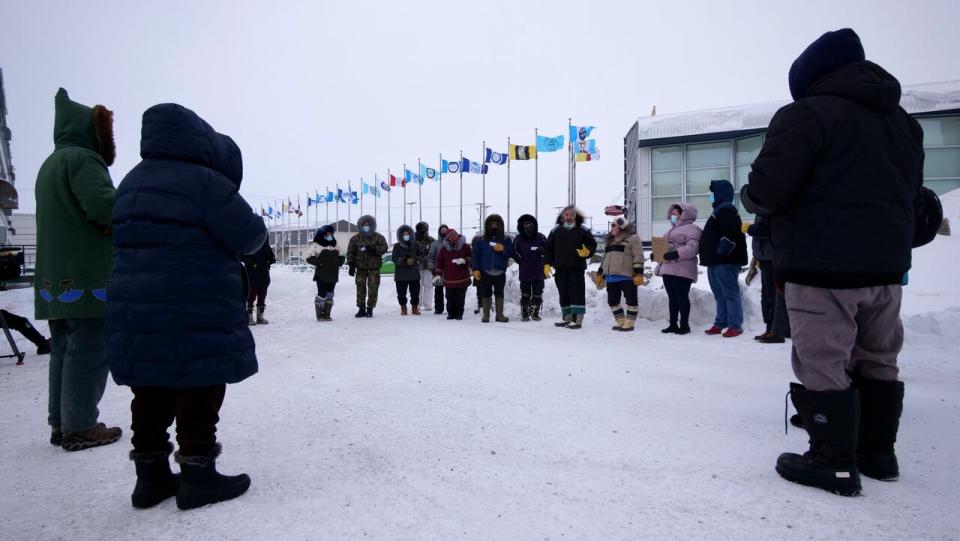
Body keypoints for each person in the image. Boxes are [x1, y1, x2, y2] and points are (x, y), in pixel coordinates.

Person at [742, 28, 923, 497]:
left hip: (822, 265)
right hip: (885, 268)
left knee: (823, 358)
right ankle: (878, 453)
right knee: (879, 357)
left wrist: (751, 193)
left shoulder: (806, 115)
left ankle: (833, 461)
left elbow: (767, 191)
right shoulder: (902, 122)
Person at [106, 103, 266, 509]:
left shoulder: (130, 182)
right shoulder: (205, 183)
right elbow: (250, 236)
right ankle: (198, 476)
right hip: (194, 303)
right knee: (200, 382)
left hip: (136, 308)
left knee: (150, 389)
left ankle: (151, 478)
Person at [34, 88, 121, 451]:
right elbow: (104, 207)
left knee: (63, 347)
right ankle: (82, 425)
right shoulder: (84, 160)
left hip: (55, 277)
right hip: (86, 275)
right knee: (89, 347)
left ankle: (61, 422)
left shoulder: (51, 164)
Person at [699, 180, 747, 338]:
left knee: (730, 293)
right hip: (715, 261)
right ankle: (721, 323)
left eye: (713, 193)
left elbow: (731, 231)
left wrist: (723, 249)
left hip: (725, 261)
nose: (711, 196)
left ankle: (735, 325)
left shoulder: (726, 209)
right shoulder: (719, 210)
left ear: (720, 193)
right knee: (719, 294)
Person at [543, 206, 597, 329]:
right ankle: (566, 318)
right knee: (564, 293)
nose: (568, 217)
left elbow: (592, 244)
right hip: (560, 268)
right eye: (566, 215)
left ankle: (577, 320)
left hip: (576, 268)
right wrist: (547, 263)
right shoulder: (555, 231)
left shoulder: (583, 230)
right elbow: (548, 249)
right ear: (563, 216)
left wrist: (587, 252)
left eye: (571, 215)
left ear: (575, 216)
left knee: (576, 293)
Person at [654, 203, 701, 335]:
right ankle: (673, 324)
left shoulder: (693, 229)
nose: (673, 216)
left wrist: (676, 253)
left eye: (675, 213)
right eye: (672, 213)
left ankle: (684, 325)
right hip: (668, 268)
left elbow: (693, 248)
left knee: (681, 297)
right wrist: (657, 253)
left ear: (684, 214)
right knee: (672, 298)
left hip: (683, 269)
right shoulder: (671, 230)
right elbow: (663, 247)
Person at [598, 216, 644, 331]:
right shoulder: (610, 240)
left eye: (614, 225)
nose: (611, 228)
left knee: (631, 299)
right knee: (612, 301)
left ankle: (630, 322)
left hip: (627, 275)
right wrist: (600, 272)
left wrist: (638, 273)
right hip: (611, 277)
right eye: (611, 225)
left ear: (621, 227)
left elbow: (638, 256)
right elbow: (606, 258)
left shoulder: (633, 238)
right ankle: (621, 321)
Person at [744, 215, 786, 343]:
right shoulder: (762, 211)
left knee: (772, 295)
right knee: (767, 295)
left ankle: (777, 331)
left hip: (772, 257)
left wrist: (749, 228)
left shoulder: (772, 210)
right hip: (764, 257)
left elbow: (766, 230)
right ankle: (769, 328)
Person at [471, 214, 513, 323]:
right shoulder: (481, 241)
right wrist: (475, 269)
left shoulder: (506, 240)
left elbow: (510, 253)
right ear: (487, 226)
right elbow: (475, 255)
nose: (494, 226)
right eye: (491, 224)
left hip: (500, 271)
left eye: (496, 224)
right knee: (486, 293)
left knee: (500, 293)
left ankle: (500, 315)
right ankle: (486, 315)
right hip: (485, 272)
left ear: (501, 225)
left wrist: (503, 249)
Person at [347, 215, 388, 318]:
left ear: (372, 225)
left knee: (373, 289)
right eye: (364, 225)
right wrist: (351, 265)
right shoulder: (355, 238)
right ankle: (361, 308)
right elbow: (350, 252)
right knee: (360, 289)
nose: (366, 226)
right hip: (360, 268)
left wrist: (374, 249)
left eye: (368, 225)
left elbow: (384, 248)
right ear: (361, 225)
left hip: (374, 268)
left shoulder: (378, 237)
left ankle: (370, 309)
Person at [306, 225, 345, 321]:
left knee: (330, 294)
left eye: (330, 234)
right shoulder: (317, 245)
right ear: (322, 235)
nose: (329, 235)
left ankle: (327, 314)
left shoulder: (335, 245)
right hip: (321, 275)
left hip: (333, 274)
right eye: (327, 234)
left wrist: (339, 262)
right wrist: (320, 262)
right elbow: (308, 258)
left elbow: (342, 256)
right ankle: (320, 315)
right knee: (322, 294)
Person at [513, 214, 547, 322]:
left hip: (538, 271)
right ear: (522, 226)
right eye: (525, 224)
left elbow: (549, 249)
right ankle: (525, 313)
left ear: (534, 225)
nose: (528, 226)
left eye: (530, 224)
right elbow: (514, 252)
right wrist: (519, 259)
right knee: (525, 294)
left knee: (538, 293)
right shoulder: (518, 239)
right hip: (525, 271)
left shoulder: (541, 237)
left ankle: (535, 312)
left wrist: (543, 251)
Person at [435, 228, 472, 320]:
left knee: (460, 298)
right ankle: (451, 313)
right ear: (447, 239)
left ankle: (459, 313)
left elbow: (472, 257)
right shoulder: (444, 250)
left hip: (462, 278)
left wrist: (464, 260)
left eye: (454, 235)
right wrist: (438, 274)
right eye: (450, 236)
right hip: (449, 279)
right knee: (450, 297)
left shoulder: (466, 247)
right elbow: (439, 261)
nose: (453, 238)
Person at [240, 238, 276, 325]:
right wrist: (253, 264)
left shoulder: (266, 245)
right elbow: (242, 257)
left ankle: (260, 317)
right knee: (251, 296)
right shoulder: (249, 244)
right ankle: (249, 317)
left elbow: (272, 257)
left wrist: (270, 261)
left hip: (264, 273)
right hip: (252, 274)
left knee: (262, 295)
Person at [392, 225, 423, 315]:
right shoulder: (396, 246)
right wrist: (404, 260)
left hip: (414, 273)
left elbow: (421, 255)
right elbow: (394, 258)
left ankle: (415, 308)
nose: (406, 236)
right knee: (401, 294)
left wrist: (414, 259)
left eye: (407, 234)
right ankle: (403, 307)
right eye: (404, 234)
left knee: (415, 293)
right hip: (401, 275)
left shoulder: (415, 244)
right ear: (401, 236)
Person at [427, 224, 450, 314]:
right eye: (442, 230)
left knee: (450, 291)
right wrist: (432, 268)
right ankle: (438, 308)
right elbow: (431, 257)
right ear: (439, 232)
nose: (444, 232)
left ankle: (450, 307)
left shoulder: (452, 242)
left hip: (450, 271)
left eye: (445, 230)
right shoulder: (434, 244)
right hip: (438, 271)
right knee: (438, 290)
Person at [414, 222, 436, 312]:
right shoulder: (413, 239)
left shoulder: (431, 240)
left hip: (428, 266)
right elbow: (411, 252)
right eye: (420, 228)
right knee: (417, 286)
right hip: (416, 266)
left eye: (424, 228)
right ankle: (417, 304)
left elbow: (434, 252)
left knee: (428, 285)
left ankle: (428, 304)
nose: (422, 230)